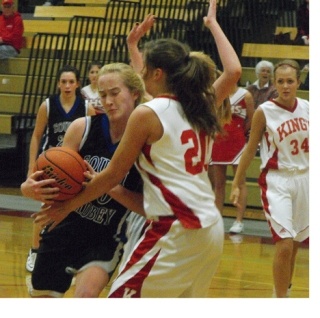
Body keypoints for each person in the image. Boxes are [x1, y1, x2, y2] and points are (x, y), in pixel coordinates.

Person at [33, 0, 242, 298]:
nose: (140, 75)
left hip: (175, 227)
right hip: (210, 228)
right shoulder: (200, 107)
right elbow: (233, 70)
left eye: (145, 71)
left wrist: (66, 206)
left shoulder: (148, 114)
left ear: (157, 74)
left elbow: (113, 174)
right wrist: (211, 24)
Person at [21, 62, 147, 298]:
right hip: (63, 226)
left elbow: (145, 207)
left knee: (85, 297)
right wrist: (29, 188)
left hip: (105, 236)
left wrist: (106, 185)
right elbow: (52, 181)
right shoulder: (83, 128)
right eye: (103, 94)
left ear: (135, 93)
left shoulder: (146, 143)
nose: (108, 101)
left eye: (115, 93)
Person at [230, 59, 309, 297]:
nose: (285, 86)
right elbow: (250, 147)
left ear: (298, 82)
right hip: (278, 180)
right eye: (281, 81)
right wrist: (236, 182)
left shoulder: (308, 107)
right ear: (274, 83)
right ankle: (280, 301)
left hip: (306, 179)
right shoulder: (265, 111)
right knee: (284, 244)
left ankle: (281, 290)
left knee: (294, 246)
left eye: (290, 81)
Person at [25, 65, 96, 273]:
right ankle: (35, 251)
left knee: (72, 212)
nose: (67, 85)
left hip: (73, 169)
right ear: (58, 84)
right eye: (63, 82)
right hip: (48, 167)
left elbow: (92, 139)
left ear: (77, 84)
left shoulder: (86, 108)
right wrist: (31, 166)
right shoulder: (47, 105)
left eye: (71, 82)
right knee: (45, 208)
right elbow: (37, 135)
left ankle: (69, 256)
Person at [209, 83, 254, 234]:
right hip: (218, 142)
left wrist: (240, 133)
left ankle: (239, 221)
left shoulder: (245, 95)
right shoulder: (216, 94)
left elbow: (251, 120)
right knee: (218, 184)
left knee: (240, 182)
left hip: (237, 143)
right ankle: (217, 220)